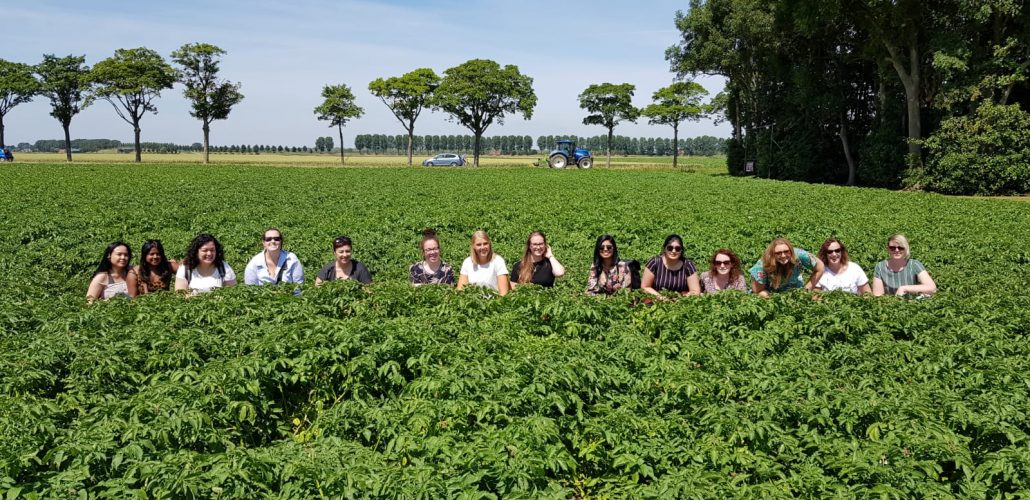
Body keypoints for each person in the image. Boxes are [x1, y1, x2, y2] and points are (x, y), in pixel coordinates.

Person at [749, 237, 824, 297]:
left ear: (791, 251)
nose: (783, 255)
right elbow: (758, 291)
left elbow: (820, 267)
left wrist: (805, 290)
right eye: (778, 253)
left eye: (786, 251)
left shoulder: (799, 255)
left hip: (796, 292)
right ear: (772, 254)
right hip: (771, 295)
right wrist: (778, 302)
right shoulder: (762, 266)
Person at [872, 234, 937, 297]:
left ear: (906, 248)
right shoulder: (880, 267)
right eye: (892, 248)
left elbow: (932, 288)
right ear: (888, 249)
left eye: (900, 248)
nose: (896, 250)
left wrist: (904, 288)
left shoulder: (914, 265)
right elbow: (878, 296)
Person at [641, 234, 701, 298]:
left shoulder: (688, 265)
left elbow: (695, 291)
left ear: (681, 250)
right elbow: (645, 287)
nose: (674, 251)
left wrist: (681, 300)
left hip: (681, 302)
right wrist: (660, 298)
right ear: (665, 249)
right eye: (670, 248)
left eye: (677, 249)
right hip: (657, 301)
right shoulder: (654, 262)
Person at [456, 230, 510, 296]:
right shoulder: (467, 262)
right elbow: (460, 291)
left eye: (485, 243)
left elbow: (503, 293)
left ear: (489, 244)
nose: (483, 247)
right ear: (473, 247)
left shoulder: (498, 261)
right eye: (478, 245)